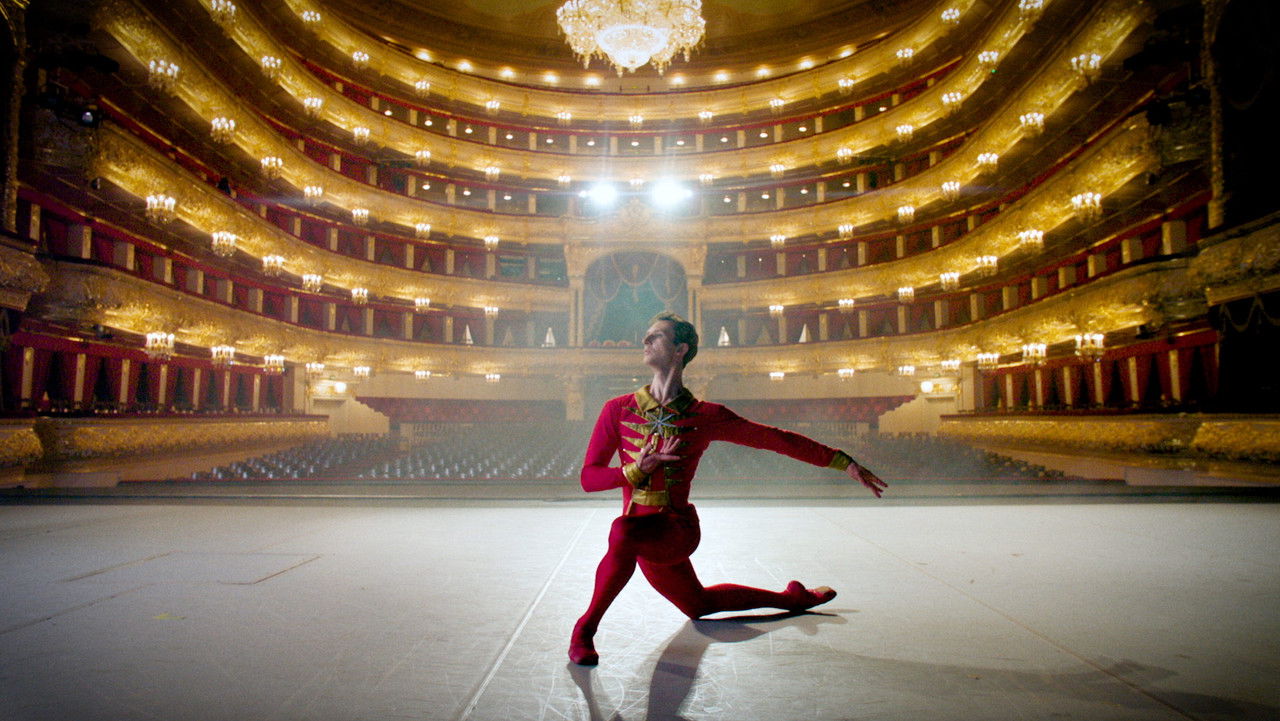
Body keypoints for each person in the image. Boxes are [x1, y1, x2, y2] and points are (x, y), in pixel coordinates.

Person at [570, 312, 888, 666]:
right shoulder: (617, 410)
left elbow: (775, 440)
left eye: (656, 336)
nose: (645, 341)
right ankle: (792, 599)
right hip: (640, 538)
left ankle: (584, 630)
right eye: (646, 335)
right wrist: (634, 470)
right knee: (698, 605)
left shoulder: (705, 415)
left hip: (675, 529)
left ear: (680, 349)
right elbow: (588, 478)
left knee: (621, 531)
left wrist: (843, 461)